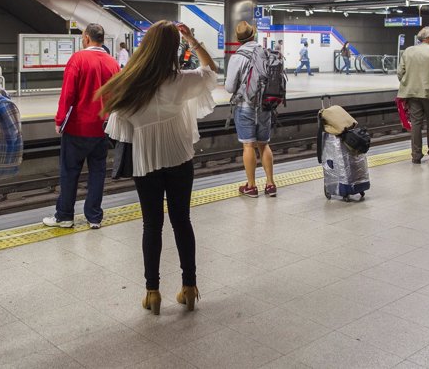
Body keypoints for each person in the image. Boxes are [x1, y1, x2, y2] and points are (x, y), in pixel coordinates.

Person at [98, 21, 217, 315]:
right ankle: (189, 287)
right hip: (179, 157)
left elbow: (118, 131)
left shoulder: (130, 85)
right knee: (182, 220)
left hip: (146, 161)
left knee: (151, 225)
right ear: (173, 50)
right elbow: (211, 70)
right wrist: (191, 38)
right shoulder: (182, 81)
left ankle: (152, 293)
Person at [43, 24, 120, 229]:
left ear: (86, 38)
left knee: (70, 171)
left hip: (77, 127)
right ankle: (94, 217)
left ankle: (65, 216)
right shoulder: (113, 63)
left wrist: (60, 120)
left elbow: (68, 94)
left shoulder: (78, 59)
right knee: (98, 172)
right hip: (102, 127)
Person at [225, 20, 277, 198]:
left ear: (238, 39)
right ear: (253, 35)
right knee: (264, 144)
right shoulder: (265, 52)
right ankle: (270, 184)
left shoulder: (237, 57)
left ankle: (251, 186)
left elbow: (230, 87)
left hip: (245, 105)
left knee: (248, 145)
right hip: (265, 105)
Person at [396, 26, 429, 164]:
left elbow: (400, 73)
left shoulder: (408, 51)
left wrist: (409, 83)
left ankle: (416, 155)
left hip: (412, 93)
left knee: (416, 124)